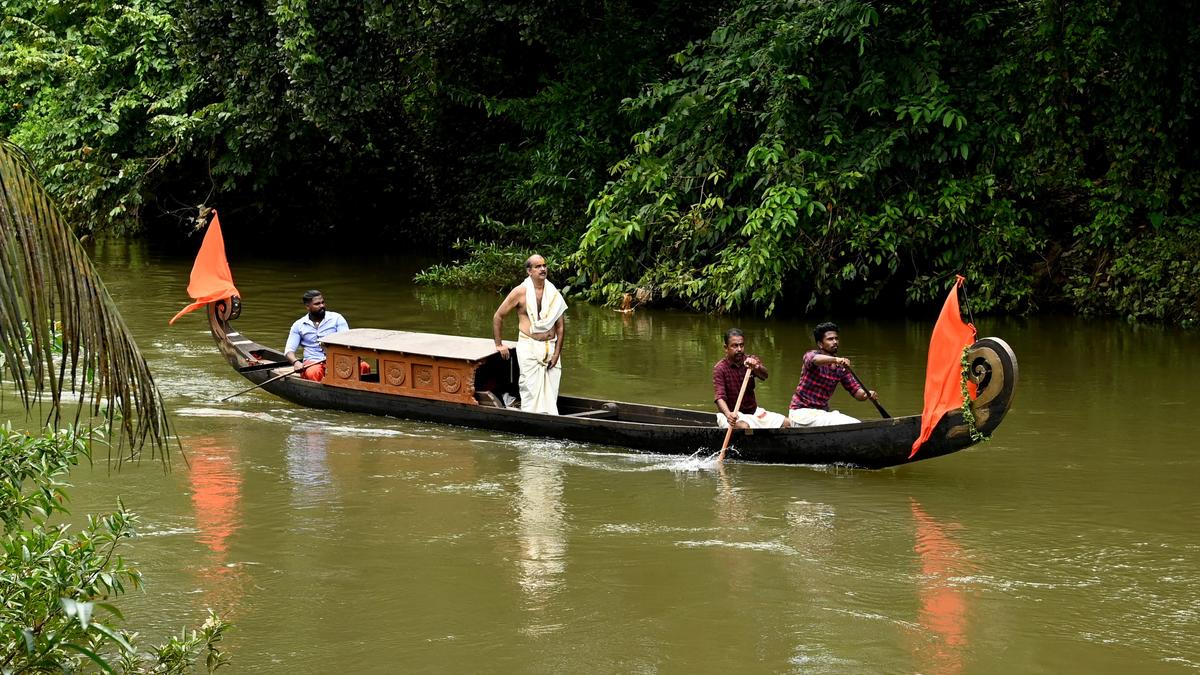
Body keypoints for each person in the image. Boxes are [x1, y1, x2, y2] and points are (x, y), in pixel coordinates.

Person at [493, 254, 568, 414]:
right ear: (529, 271)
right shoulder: (520, 292)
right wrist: (499, 344)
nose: (543, 269)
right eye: (538, 266)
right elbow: (498, 316)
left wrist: (556, 354)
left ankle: (549, 418)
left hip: (551, 347)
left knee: (551, 392)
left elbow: (560, 327)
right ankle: (529, 418)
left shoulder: (554, 293)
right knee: (530, 389)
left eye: (544, 265)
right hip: (529, 346)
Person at [788, 321, 878, 426]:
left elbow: (856, 392)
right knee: (850, 423)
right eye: (830, 339)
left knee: (852, 422)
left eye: (836, 338)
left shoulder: (841, 368)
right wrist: (836, 359)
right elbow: (814, 360)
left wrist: (867, 394)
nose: (835, 342)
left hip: (820, 414)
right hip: (801, 413)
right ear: (820, 344)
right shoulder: (811, 355)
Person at [712, 328, 791, 429]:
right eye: (735, 346)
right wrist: (728, 415)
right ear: (726, 348)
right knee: (744, 427)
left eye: (741, 345)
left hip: (753, 412)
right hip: (732, 415)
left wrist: (756, 367)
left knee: (787, 423)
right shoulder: (720, 368)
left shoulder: (750, 361)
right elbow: (720, 397)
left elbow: (764, 376)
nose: (739, 349)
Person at [284, 290, 356, 382]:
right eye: (317, 304)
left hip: (337, 359)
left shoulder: (337, 318)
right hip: (313, 362)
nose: (322, 306)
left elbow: (347, 342)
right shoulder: (298, 325)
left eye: (322, 302)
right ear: (307, 306)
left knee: (363, 366)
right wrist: (296, 362)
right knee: (314, 372)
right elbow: (288, 351)